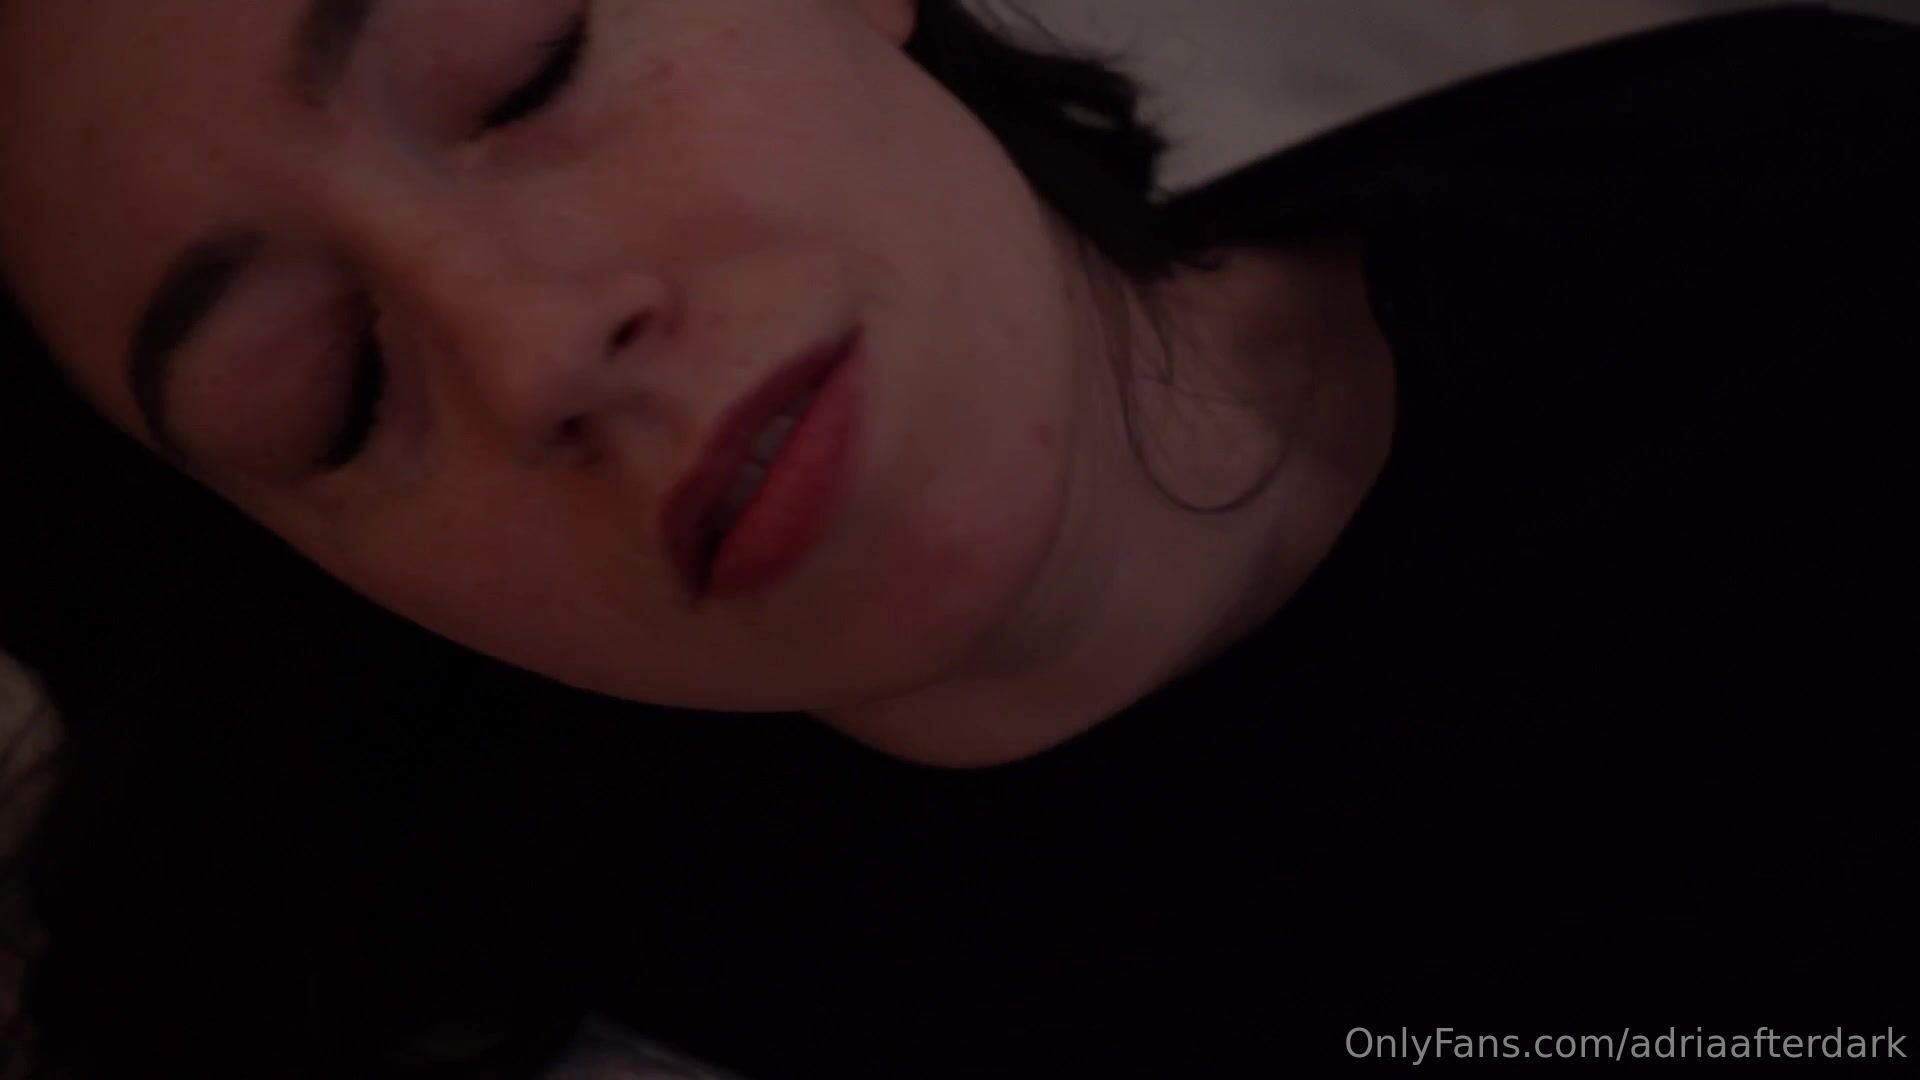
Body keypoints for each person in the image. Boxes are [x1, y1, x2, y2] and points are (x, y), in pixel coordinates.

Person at [0, 0, 1912, 1076]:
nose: (531, 347)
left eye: (521, 68)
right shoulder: (540, 1000)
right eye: (325, 394)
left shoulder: (1807, 221)